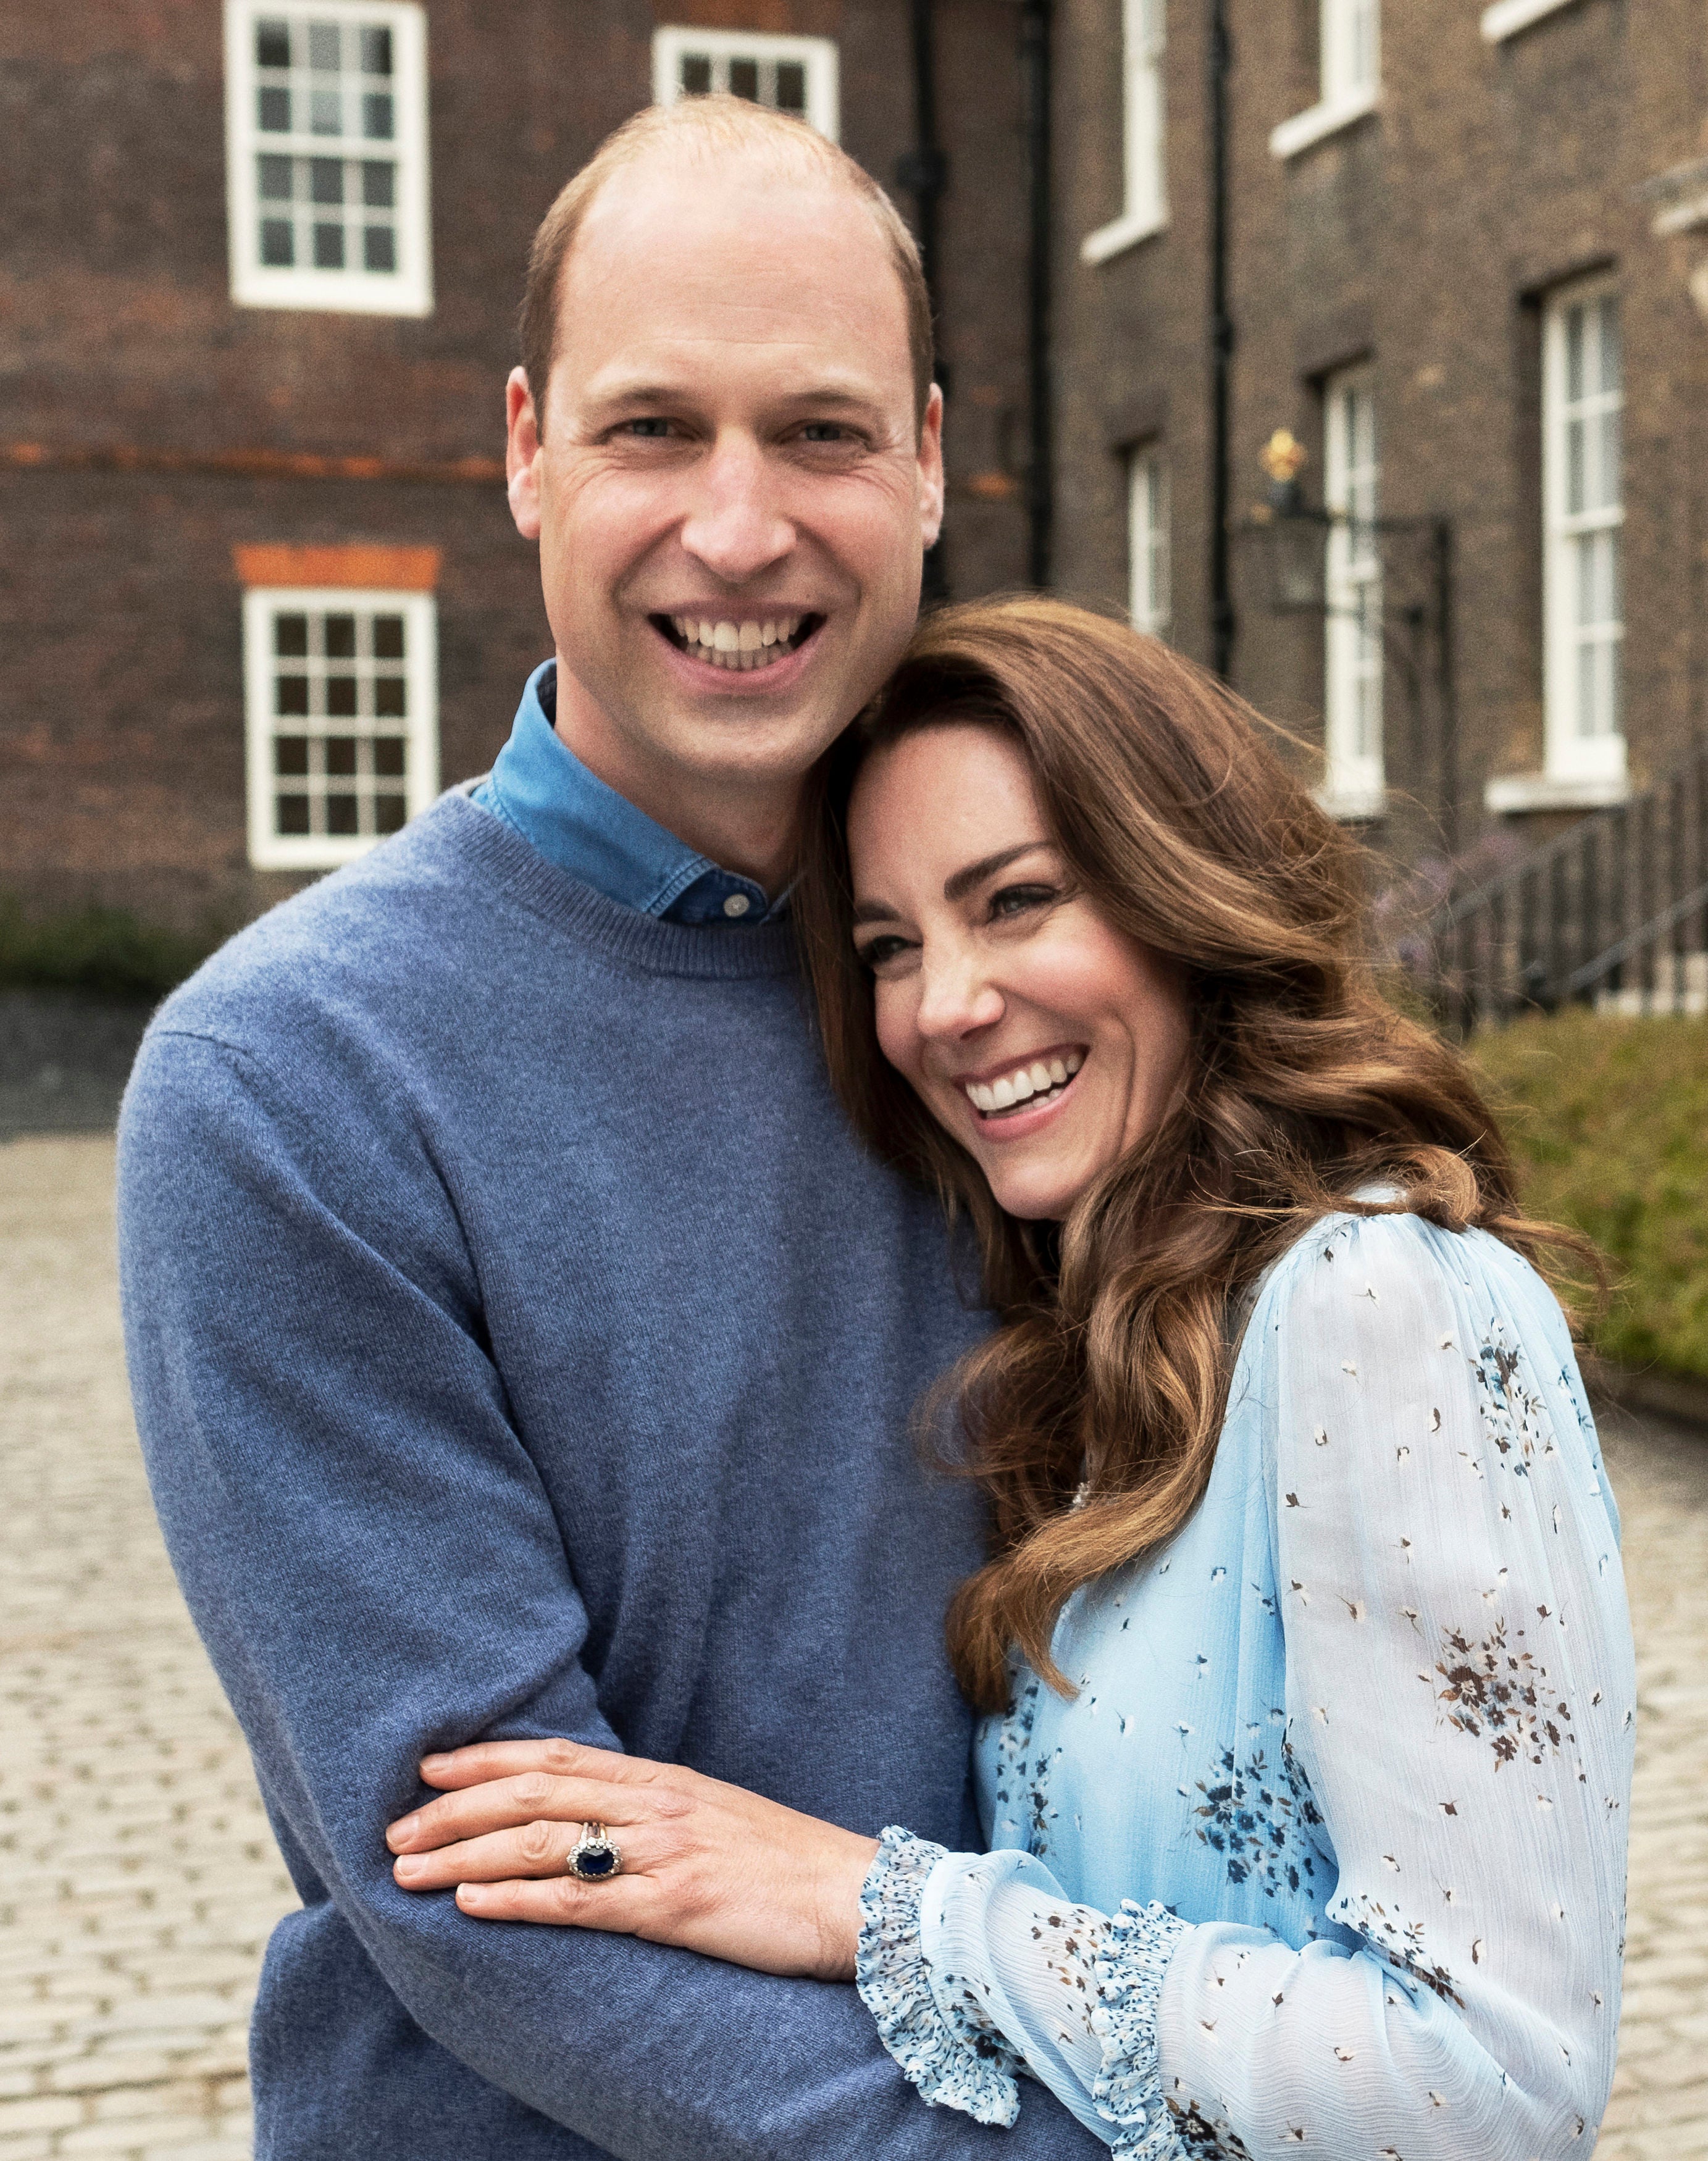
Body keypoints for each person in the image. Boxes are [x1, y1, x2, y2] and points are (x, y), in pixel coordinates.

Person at [117, 104, 1108, 2160]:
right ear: (521, 448)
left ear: (927, 454)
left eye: (821, 435)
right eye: (652, 428)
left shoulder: (1034, 1004)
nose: (738, 532)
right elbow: (497, 1883)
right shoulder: (292, 1084)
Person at [387, 599, 1636, 2161]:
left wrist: (870, 1900)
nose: (945, 1006)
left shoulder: (1385, 1303)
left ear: (1189, 894)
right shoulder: (1121, 1340)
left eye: (1019, 899)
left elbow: (1492, 2090)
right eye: (892, 946)